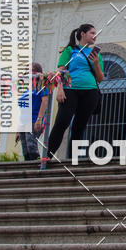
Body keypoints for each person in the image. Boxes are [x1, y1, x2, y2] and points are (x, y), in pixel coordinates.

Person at [42, 23, 104, 169]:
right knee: (62, 122)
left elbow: (100, 78)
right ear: (82, 34)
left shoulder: (96, 54)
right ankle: (47, 157)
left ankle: (74, 160)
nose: (95, 36)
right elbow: (60, 71)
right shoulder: (70, 50)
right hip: (70, 89)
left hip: (91, 91)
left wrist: (95, 63)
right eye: (92, 33)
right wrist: (60, 89)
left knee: (79, 126)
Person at [17, 62, 49, 161]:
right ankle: (28, 169)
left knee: (31, 145)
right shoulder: (26, 89)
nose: (29, 74)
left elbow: (45, 101)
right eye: (27, 72)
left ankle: (36, 168)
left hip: (34, 119)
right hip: (24, 121)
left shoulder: (41, 85)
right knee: (25, 149)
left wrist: (39, 119)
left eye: (31, 71)